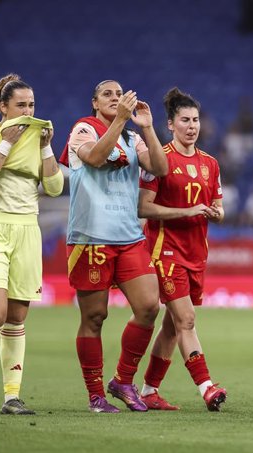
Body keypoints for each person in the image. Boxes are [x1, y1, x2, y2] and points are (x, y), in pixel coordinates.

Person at [60, 80, 168, 413]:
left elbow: (161, 169)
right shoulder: (82, 129)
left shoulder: (133, 138)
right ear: (94, 102)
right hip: (91, 238)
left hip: (129, 236)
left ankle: (123, 380)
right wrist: (120, 119)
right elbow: (93, 158)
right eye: (107, 94)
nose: (115, 98)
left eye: (119, 94)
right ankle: (95, 396)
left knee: (150, 307)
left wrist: (148, 129)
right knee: (95, 317)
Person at [0, 73, 64, 415]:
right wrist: (5, 143)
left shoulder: (38, 139)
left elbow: (53, 187)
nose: (27, 111)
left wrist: (46, 146)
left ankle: (11, 396)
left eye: (31, 105)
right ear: (1, 107)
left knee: (16, 318)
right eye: (20, 105)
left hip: (26, 230)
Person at [138, 87, 227, 412]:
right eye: (185, 120)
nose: (192, 126)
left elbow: (219, 206)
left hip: (196, 253)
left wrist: (216, 212)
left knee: (173, 327)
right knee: (186, 320)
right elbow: (144, 208)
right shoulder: (158, 160)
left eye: (195, 120)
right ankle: (207, 387)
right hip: (166, 251)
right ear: (171, 125)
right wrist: (185, 212)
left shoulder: (210, 164)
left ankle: (148, 390)